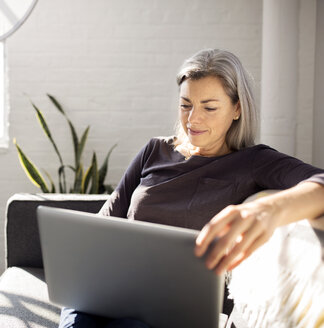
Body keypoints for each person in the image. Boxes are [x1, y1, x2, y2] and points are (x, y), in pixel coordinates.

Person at [58, 48, 324, 328]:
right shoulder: (155, 149)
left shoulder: (253, 161)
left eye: (209, 107)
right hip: (112, 287)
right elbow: (105, 222)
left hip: (171, 309)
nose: (193, 119)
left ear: (237, 109)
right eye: (186, 105)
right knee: (77, 315)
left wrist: (269, 210)